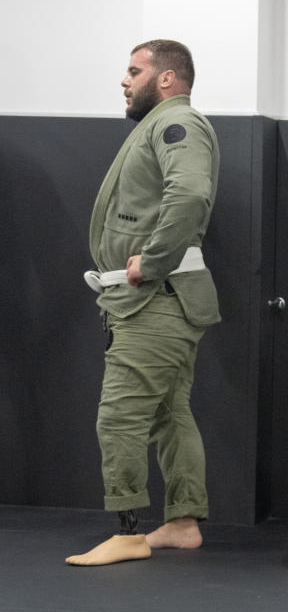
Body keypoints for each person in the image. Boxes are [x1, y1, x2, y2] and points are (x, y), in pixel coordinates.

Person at [66, 40, 221, 566]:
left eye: (134, 71)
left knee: (120, 417)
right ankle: (181, 523)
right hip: (159, 300)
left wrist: (152, 261)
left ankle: (129, 532)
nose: (124, 80)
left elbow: (191, 194)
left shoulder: (178, 125)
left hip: (156, 297)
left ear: (167, 80)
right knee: (168, 413)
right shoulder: (160, 127)